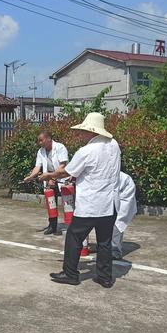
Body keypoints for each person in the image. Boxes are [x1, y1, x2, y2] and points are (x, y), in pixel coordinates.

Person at [39, 112, 121, 288]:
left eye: (83, 131)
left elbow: (66, 171)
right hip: (110, 203)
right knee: (104, 242)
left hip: (91, 204)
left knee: (74, 237)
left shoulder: (87, 151)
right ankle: (105, 277)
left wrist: (48, 175)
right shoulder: (114, 145)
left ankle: (70, 274)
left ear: (92, 132)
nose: (81, 134)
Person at [23, 130, 69, 235]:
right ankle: (52, 226)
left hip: (62, 178)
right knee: (51, 203)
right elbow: (38, 166)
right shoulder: (41, 151)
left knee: (68, 204)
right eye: (38, 141)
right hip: (49, 179)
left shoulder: (60, 148)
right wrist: (30, 177)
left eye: (41, 140)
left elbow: (63, 165)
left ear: (48, 139)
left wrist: (53, 177)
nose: (39, 143)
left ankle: (71, 225)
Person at [112, 171, 137, 259]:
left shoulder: (124, 178)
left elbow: (127, 198)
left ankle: (115, 251)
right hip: (106, 202)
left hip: (123, 201)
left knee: (117, 224)